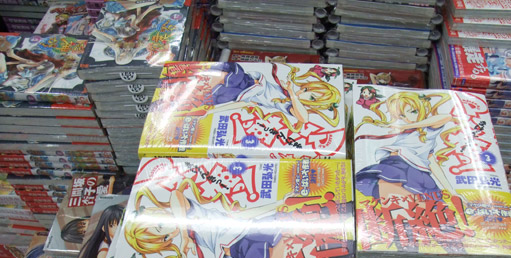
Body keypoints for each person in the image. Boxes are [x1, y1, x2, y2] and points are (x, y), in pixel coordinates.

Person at [118, 178, 352, 258]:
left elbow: (176, 197)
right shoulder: (186, 239)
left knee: (296, 232)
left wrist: (277, 205)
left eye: (159, 225)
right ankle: (337, 251)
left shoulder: (185, 212)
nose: (167, 230)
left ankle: (343, 227)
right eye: (162, 235)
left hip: (244, 234)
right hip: (237, 248)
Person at [166, 62, 341, 133]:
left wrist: (210, 112)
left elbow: (304, 118)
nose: (304, 92)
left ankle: (181, 100)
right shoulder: (283, 89)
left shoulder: (287, 104)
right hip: (244, 82)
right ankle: (181, 86)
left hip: (239, 92)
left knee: (223, 80)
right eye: (307, 89)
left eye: (311, 97)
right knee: (224, 72)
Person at [354, 90, 459, 201]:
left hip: (410, 169)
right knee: (392, 201)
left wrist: (452, 192)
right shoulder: (405, 131)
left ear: (423, 108)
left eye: (413, 111)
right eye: (402, 115)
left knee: (420, 204)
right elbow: (429, 160)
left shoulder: (428, 130)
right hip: (393, 164)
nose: (407, 118)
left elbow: (446, 117)